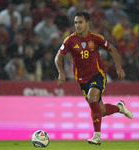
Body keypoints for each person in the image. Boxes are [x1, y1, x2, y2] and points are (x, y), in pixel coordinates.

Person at [55, 11, 133, 145]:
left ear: (87, 23)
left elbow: (112, 49)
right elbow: (58, 57)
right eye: (75, 23)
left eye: (80, 22)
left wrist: (119, 67)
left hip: (98, 75)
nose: (77, 25)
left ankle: (97, 136)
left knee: (92, 99)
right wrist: (61, 72)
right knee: (100, 111)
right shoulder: (70, 40)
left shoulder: (96, 38)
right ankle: (120, 107)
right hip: (82, 80)